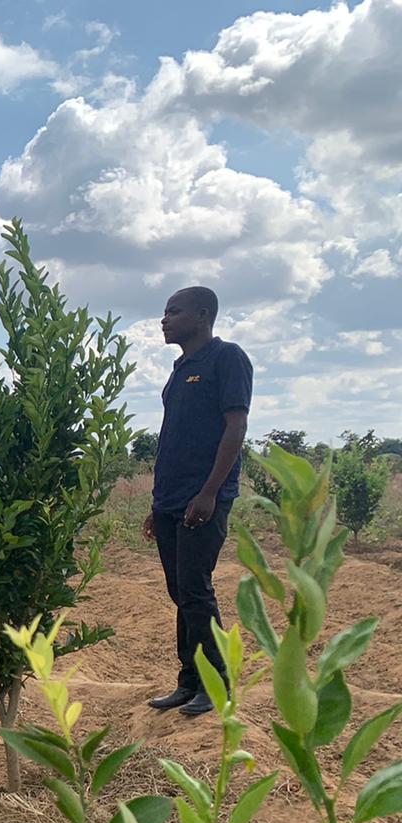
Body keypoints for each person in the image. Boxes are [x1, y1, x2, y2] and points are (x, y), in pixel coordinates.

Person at [143, 286, 252, 718]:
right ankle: (188, 681)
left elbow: (236, 426)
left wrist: (209, 492)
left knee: (194, 589)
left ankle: (217, 684)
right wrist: (157, 504)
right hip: (170, 500)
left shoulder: (227, 358)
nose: (164, 319)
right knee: (180, 592)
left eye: (174, 311)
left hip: (203, 498)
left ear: (203, 315)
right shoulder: (180, 368)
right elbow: (174, 439)